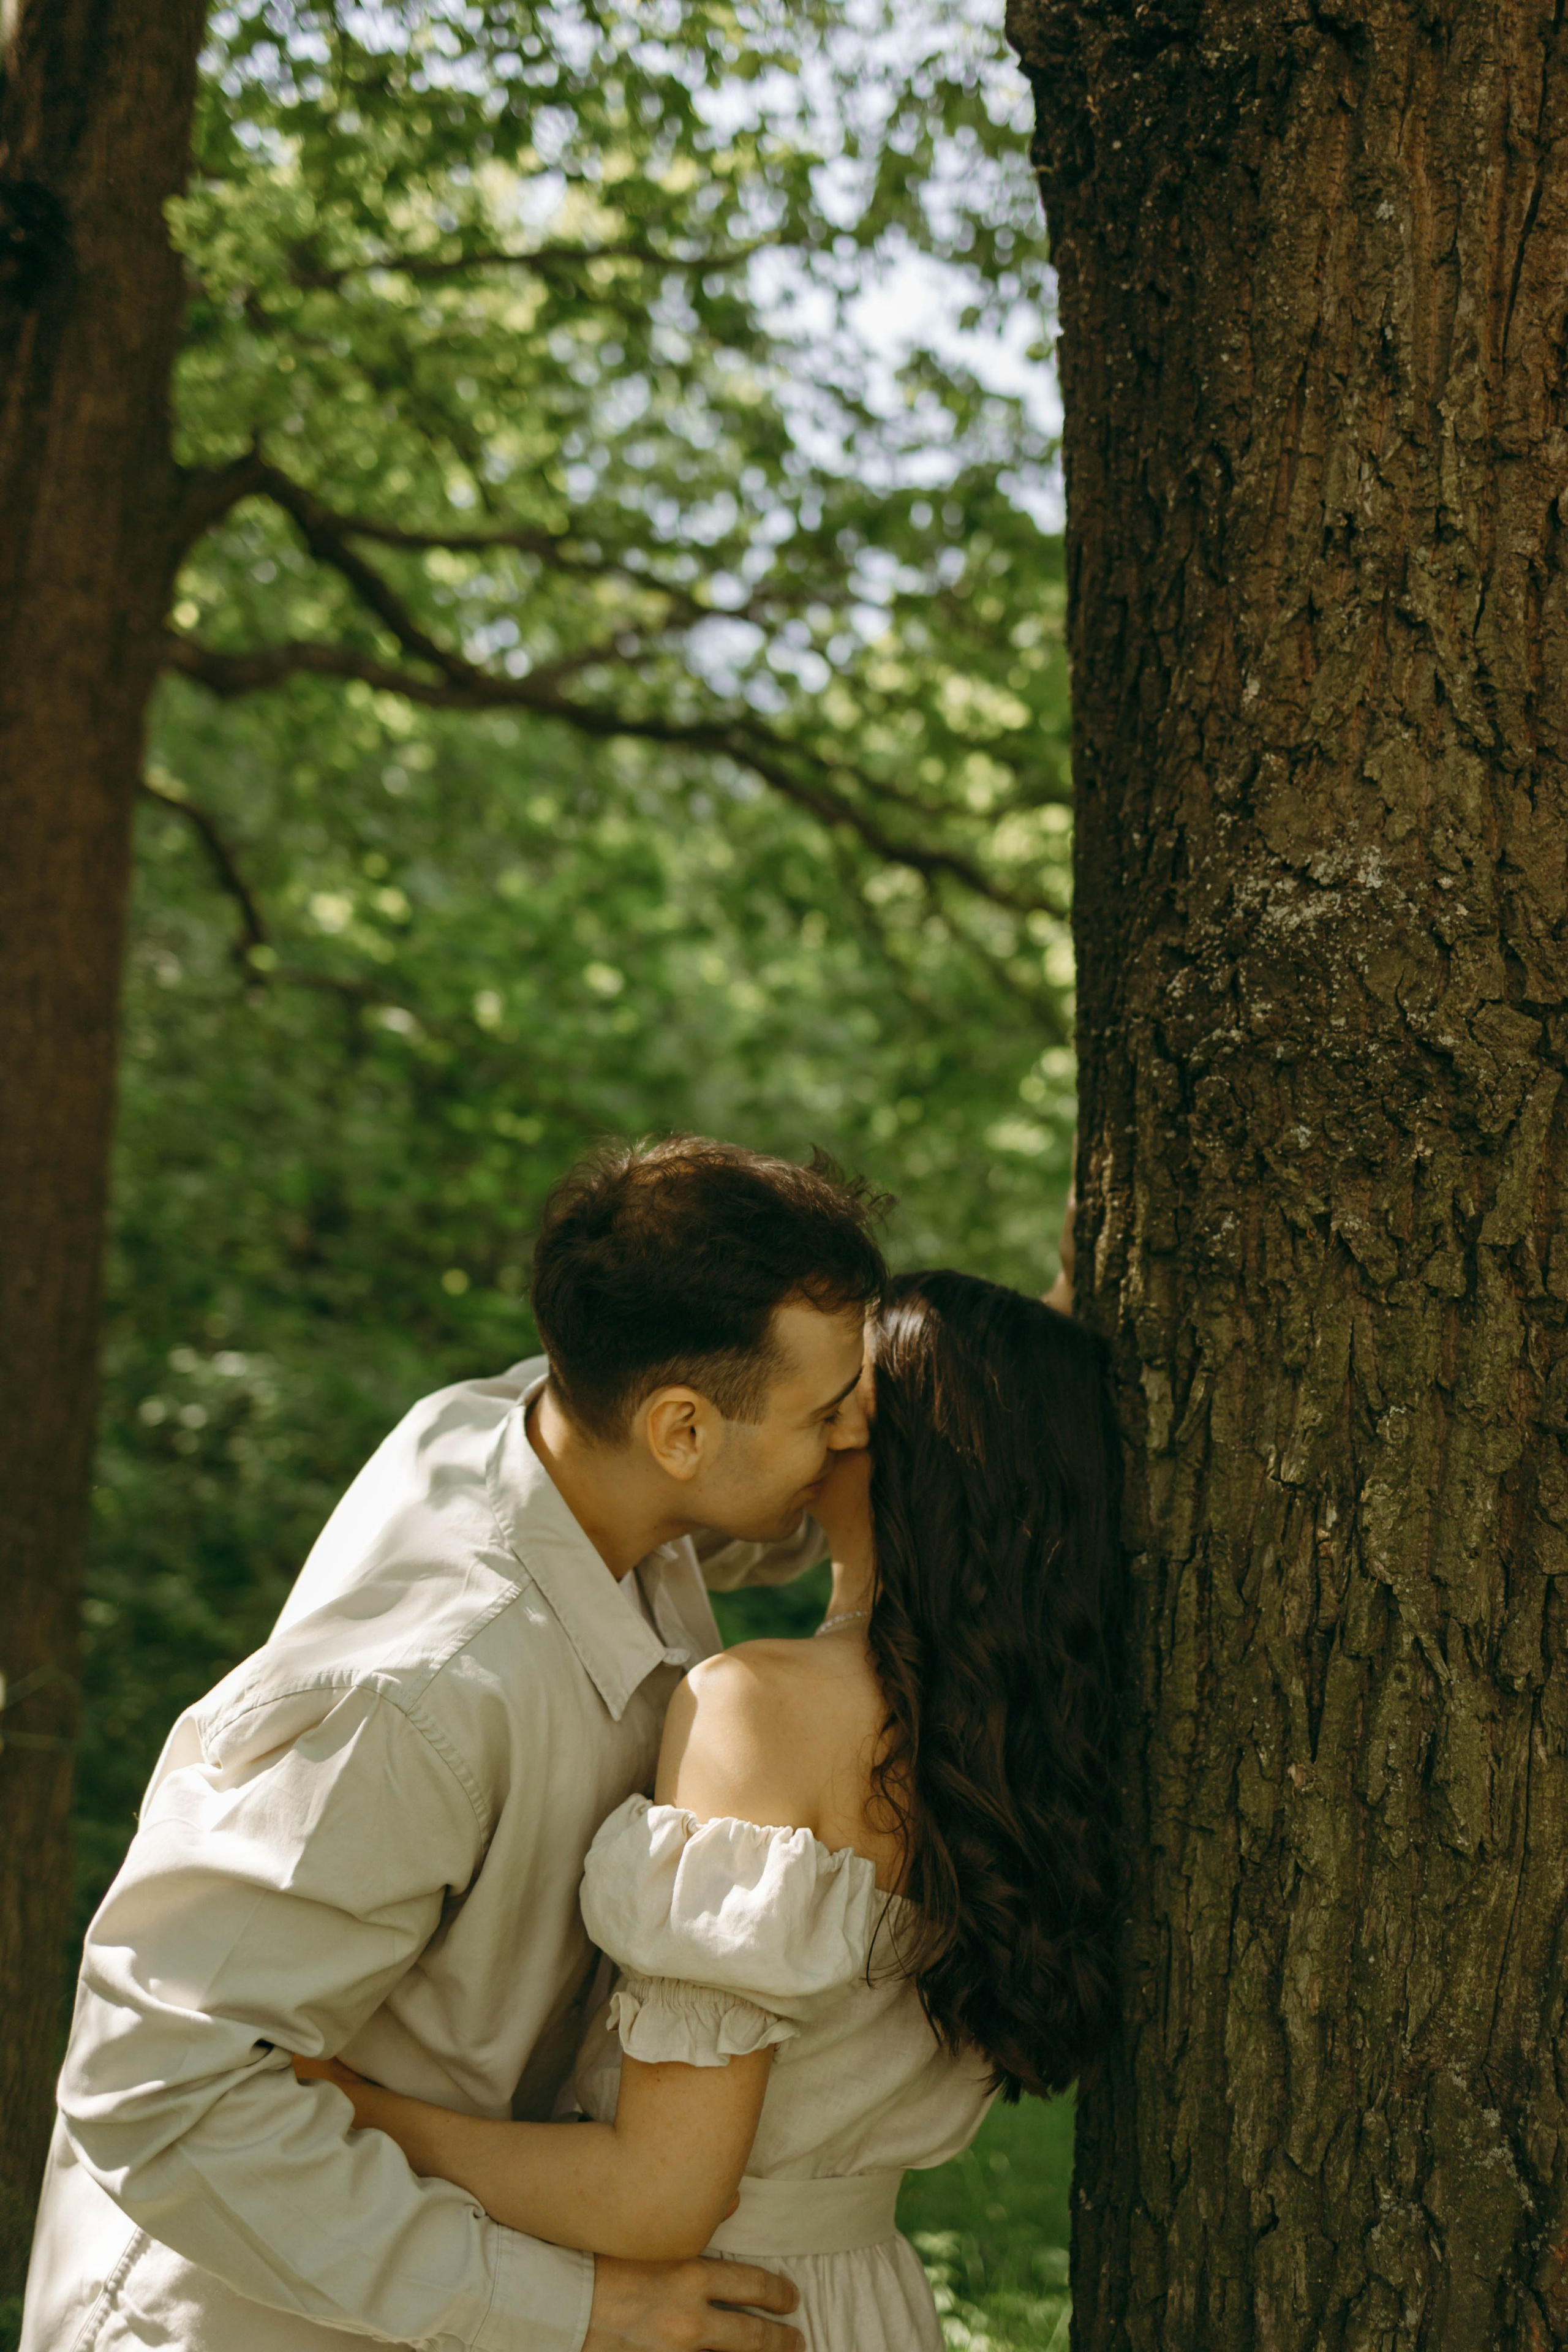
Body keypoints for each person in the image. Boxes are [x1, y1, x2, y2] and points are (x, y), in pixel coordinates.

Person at [21, 1136, 889, 2352]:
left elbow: (755, 1510)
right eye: (830, 1412)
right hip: (238, 2321)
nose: (858, 1435)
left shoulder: (553, 1440)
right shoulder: (415, 1697)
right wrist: (581, 2311)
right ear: (681, 1430)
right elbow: (156, 2097)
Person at [292, 1270, 1124, 2352]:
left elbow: (659, 2197)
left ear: (885, 1446)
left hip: (712, 2308)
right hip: (866, 2302)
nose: (819, 1419)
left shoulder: (763, 1712)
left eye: (840, 1401)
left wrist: (347, 2103)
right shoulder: (1036, 1730)